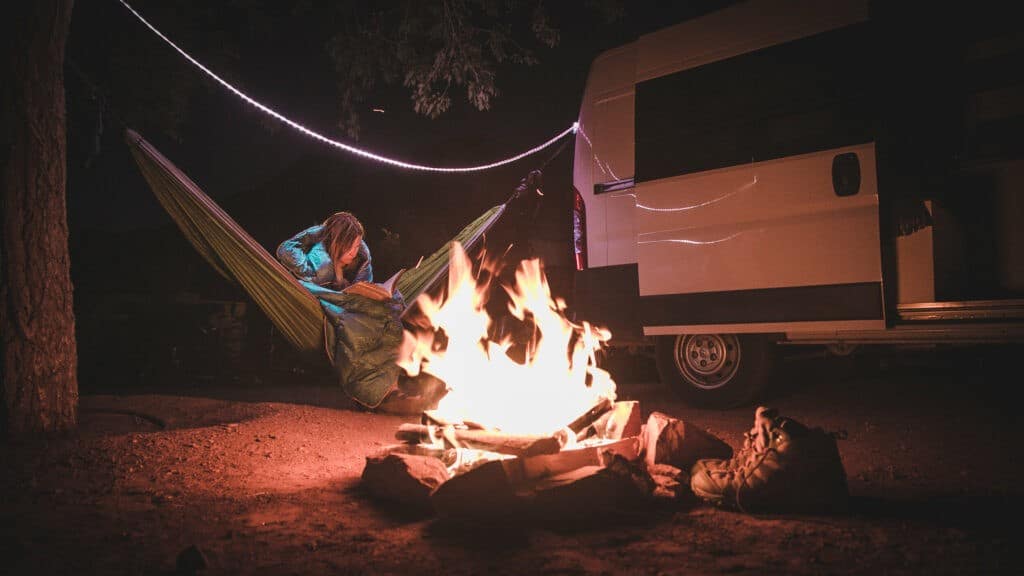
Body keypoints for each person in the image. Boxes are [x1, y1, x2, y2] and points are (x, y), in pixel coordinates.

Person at [276, 211, 444, 414]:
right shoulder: (317, 259)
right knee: (361, 328)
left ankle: (389, 388)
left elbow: (364, 286)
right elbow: (285, 250)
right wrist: (320, 231)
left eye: (357, 245)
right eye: (350, 247)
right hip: (326, 300)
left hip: (351, 302)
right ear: (336, 242)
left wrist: (373, 293)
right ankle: (376, 395)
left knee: (389, 313)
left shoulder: (362, 257)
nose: (355, 251)